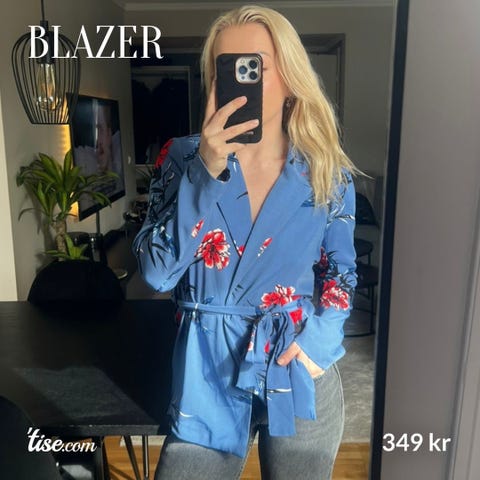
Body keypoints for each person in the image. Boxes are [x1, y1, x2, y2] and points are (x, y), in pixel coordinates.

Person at [133, 5, 361, 479]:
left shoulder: (326, 171)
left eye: (253, 67)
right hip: (206, 371)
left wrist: (319, 342)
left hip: (296, 361)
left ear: (290, 78)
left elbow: (340, 273)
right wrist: (205, 174)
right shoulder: (182, 157)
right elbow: (157, 273)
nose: (238, 83)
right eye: (225, 68)